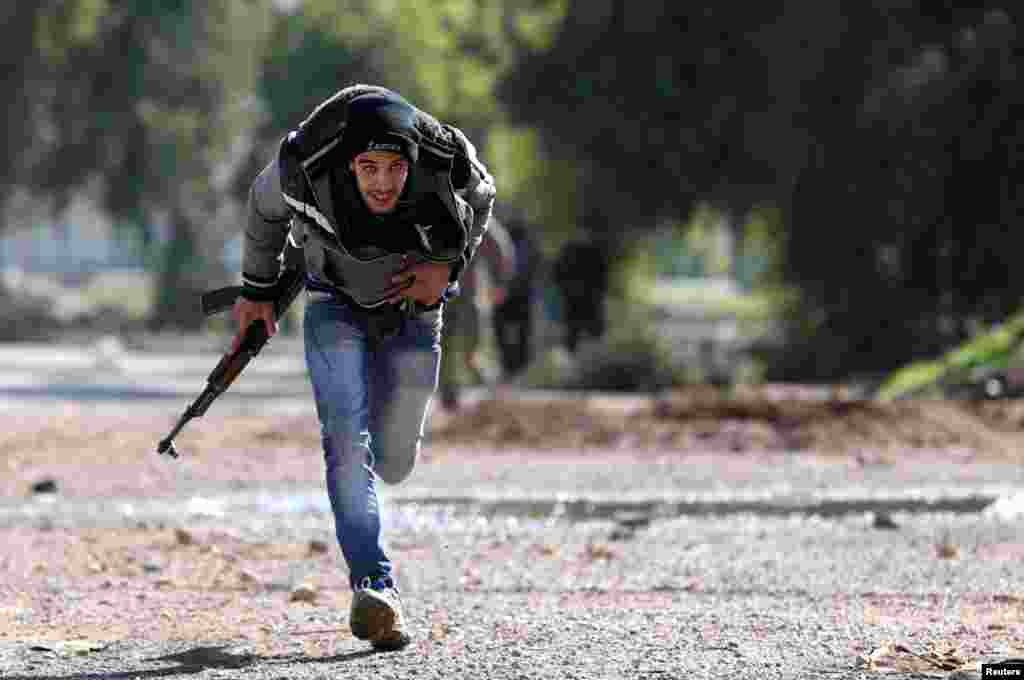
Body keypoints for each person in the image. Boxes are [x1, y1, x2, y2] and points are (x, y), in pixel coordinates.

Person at [232, 84, 495, 651]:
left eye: (394, 168)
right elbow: (263, 211)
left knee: (394, 461)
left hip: (414, 309)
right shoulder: (303, 163)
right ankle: (375, 586)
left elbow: (484, 198)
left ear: (413, 162)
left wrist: (447, 269)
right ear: (347, 162)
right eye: (368, 168)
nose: (381, 183)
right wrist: (256, 289)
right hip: (332, 304)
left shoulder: (446, 157)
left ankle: (383, 471)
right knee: (347, 443)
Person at [437, 217, 515, 410]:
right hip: (438, 297)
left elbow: (499, 250)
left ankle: (494, 390)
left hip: (465, 296)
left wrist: (500, 281)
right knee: (442, 347)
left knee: (472, 349)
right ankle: (449, 393)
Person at [492, 215, 542, 376]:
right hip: (520, 294)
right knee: (521, 329)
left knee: (503, 328)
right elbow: (536, 268)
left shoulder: (503, 244)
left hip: (507, 293)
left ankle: (511, 362)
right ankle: (517, 362)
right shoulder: (528, 245)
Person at [552, 238, 609, 353]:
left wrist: (562, 288)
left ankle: (571, 357)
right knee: (594, 331)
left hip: (571, 297)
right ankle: (598, 358)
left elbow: (556, 274)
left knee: (572, 331)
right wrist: (600, 291)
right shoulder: (594, 252)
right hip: (590, 297)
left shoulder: (568, 251)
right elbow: (603, 274)